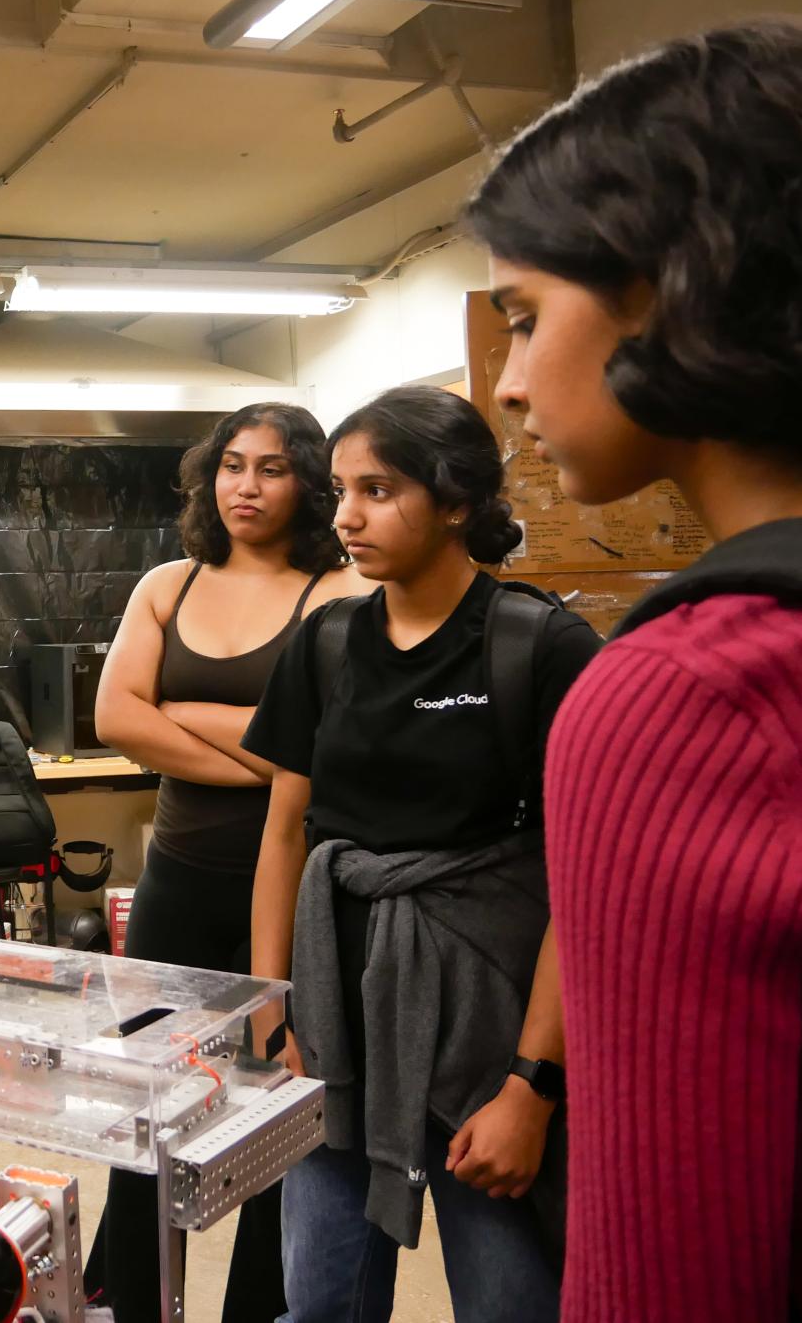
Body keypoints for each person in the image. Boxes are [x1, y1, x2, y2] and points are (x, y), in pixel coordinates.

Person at [471, 18, 802, 1323]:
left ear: (664, 293)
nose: (505, 383)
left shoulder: (690, 692)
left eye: (521, 316)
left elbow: (672, 1265)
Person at [243, 387, 602, 1323]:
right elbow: (286, 834)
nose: (347, 517)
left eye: (378, 490)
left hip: (484, 1042)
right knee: (318, 1304)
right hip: (334, 1037)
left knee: (509, 1305)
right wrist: (268, 1010)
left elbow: (580, 889)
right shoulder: (324, 643)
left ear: (454, 502)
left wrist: (531, 1089)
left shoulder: (538, 646)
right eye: (337, 492)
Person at [85, 402, 365, 1323]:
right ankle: (123, 1294)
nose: (246, 486)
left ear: (308, 484)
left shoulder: (333, 593)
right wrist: (256, 747)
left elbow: (324, 753)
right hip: (177, 884)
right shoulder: (168, 583)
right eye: (232, 465)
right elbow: (115, 718)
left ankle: (258, 1308)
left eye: (272, 469)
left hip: (285, 888)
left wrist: (183, 718)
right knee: (149, 1106)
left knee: (275, 1117)